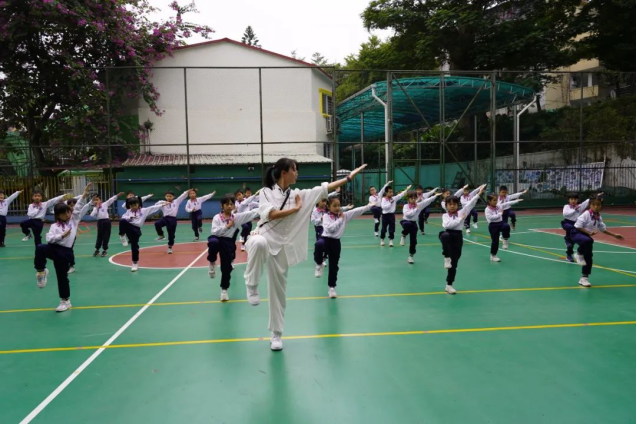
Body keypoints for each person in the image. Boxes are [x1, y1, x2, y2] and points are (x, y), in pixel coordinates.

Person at [244, 158, 367, 351]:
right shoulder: (266, 192)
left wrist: (348, 178)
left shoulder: (299, 195)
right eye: (294, 169)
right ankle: (251, 285)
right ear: (284, 172)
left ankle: (276, 334)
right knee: (258, 243)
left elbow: (324, 189)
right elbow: (271, 214)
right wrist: (295, 209)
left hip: (281, 248)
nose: (297, 173)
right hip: (263, 236)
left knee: (278, 292)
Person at [34, 183, 92, 312]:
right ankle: (41, 272)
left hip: (65, 253)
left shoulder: (73, 221)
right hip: (54, 248)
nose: (67, 215)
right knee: (40, 247)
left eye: (68, 212)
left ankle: (65, 301)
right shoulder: (54, 226)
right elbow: (49, 238)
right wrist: (61, 236)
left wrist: (85, 194)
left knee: (62, 277)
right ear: (57, 216)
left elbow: (78, 207)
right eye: (63, 213)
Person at [313, 197, 374, 297]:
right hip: (326, 239)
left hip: (336, 242)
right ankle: (319, 264)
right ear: (328, 207)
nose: (337, 208)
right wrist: (341, 219)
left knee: (334, 266)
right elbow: (330, 229)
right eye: (334, 206)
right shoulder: (326, 216)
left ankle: (332, 288)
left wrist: (369, 206)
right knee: (318, 244)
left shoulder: (345, 215)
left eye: (338, 205)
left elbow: (356, 211)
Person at [207, 194, 259, 301]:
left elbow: (252, 213)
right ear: (222, 206)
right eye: (227, 204)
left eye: (231, 204)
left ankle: (224, 290)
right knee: (213, 243)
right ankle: (212, 262)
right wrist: (227, 226)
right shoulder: (217, 218)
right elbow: (214, 231)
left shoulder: (236, 217)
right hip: (217, 238)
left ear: (234, 206)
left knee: (226, 267)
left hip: (228, 241)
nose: (229, 206)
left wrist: (265, 208)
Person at [438, 184, 486, 294]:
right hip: (448, 235)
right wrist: (460, 220)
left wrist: (479, 193)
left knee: (454, 264)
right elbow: (448, 225)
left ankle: (449, 285)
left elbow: (471, 203)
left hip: (458, 237)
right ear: (446, 206)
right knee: (444, 235)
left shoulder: (462, 212)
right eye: (450, 204)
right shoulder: (445, 216)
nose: (452, 206)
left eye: (454, 204)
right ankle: (446, 257)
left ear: (457, 205)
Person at [572, 196, 624, 287]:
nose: (596, 207)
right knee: (588, 240)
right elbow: (578, 226)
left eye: (598, 205)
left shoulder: (598, 217)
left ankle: (584, 278)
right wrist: (588, 232)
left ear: (601, 206)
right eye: (594, 205)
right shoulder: (586, 214)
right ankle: (579, 253)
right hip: (576, 233)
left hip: (587, 236)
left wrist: (614, 235)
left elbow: (602, 229)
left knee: (589, 257)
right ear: (590, 205)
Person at [121, 197, 167, 272]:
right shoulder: (129, 211)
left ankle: (135, 264)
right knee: (122, 221)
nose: (133, 207)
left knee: (134, 246)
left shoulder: (143, 210)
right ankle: (122, 235)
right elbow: (123, 217)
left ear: (138, 204)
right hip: (129, 228)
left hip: (136, 229)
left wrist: (162, 205)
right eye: (131, 206)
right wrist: (130, 217)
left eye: (135, 205)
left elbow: (152, 208)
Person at [400, 189, 441, 263]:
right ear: (408, 199)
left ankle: (411, 256)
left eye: (414, 198)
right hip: (406, 222)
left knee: (413, 241)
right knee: (407, 224)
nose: (413, 199)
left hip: (413, 224)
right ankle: (403, 235)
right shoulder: (406, 206)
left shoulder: (419, 205)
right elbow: (408, 215)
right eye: (411, 198)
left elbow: (427, 201)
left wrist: (435, 196)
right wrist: (416, 209)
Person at [561, 192, 600, 263]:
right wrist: (574, 209)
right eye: (571, 199)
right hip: (568, 223)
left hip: (576, 224)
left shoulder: (579, 206)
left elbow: (586, 202)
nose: (573, 201)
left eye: (575, 199)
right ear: (568, 200)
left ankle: (580, 253)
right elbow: (565, 214)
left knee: (580, 241)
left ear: (577, 200)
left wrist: (595, 196)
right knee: (570, 241)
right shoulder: (566, 206)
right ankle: (568, 251)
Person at [484, 194, 523, 262]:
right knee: (495, 241)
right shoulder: (487, 209)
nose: (496, 202)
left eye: (496, 200)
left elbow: (507, 203)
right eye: (494, 200)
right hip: (493, 225)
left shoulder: (499, 206)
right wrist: (500, 214)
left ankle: (505, 239)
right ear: (489, 201)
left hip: (500, 223)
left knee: (506, 226)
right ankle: (493, 255)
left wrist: (516, 201)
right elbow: (491, 218)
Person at [154, 189, 191, 254]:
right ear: (165, 197)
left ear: (173, 197)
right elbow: (155, 205)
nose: (168, 197)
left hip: (172, 219)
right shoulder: (162, 202)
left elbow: (182, 196)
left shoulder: (176, 201)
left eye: (170, 196)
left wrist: (187, 191)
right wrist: (162, 204)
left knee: (171, 234)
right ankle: (161, 235)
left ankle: (170, 246)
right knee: (157, 224)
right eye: (167, 196)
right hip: (165, 218)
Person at [90, 192, 124, 257]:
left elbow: (111, 199)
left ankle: (105, 250)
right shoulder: (95, 208)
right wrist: (97, 207)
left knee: (106, 235)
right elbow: (92, 215)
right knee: (99, 236)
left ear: (101, 200)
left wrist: (118, 195)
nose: (96, 201)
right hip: (100, 222)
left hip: (106, 221)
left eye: (97, 200)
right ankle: (97, 249)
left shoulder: (104, 204)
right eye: (95, 200)